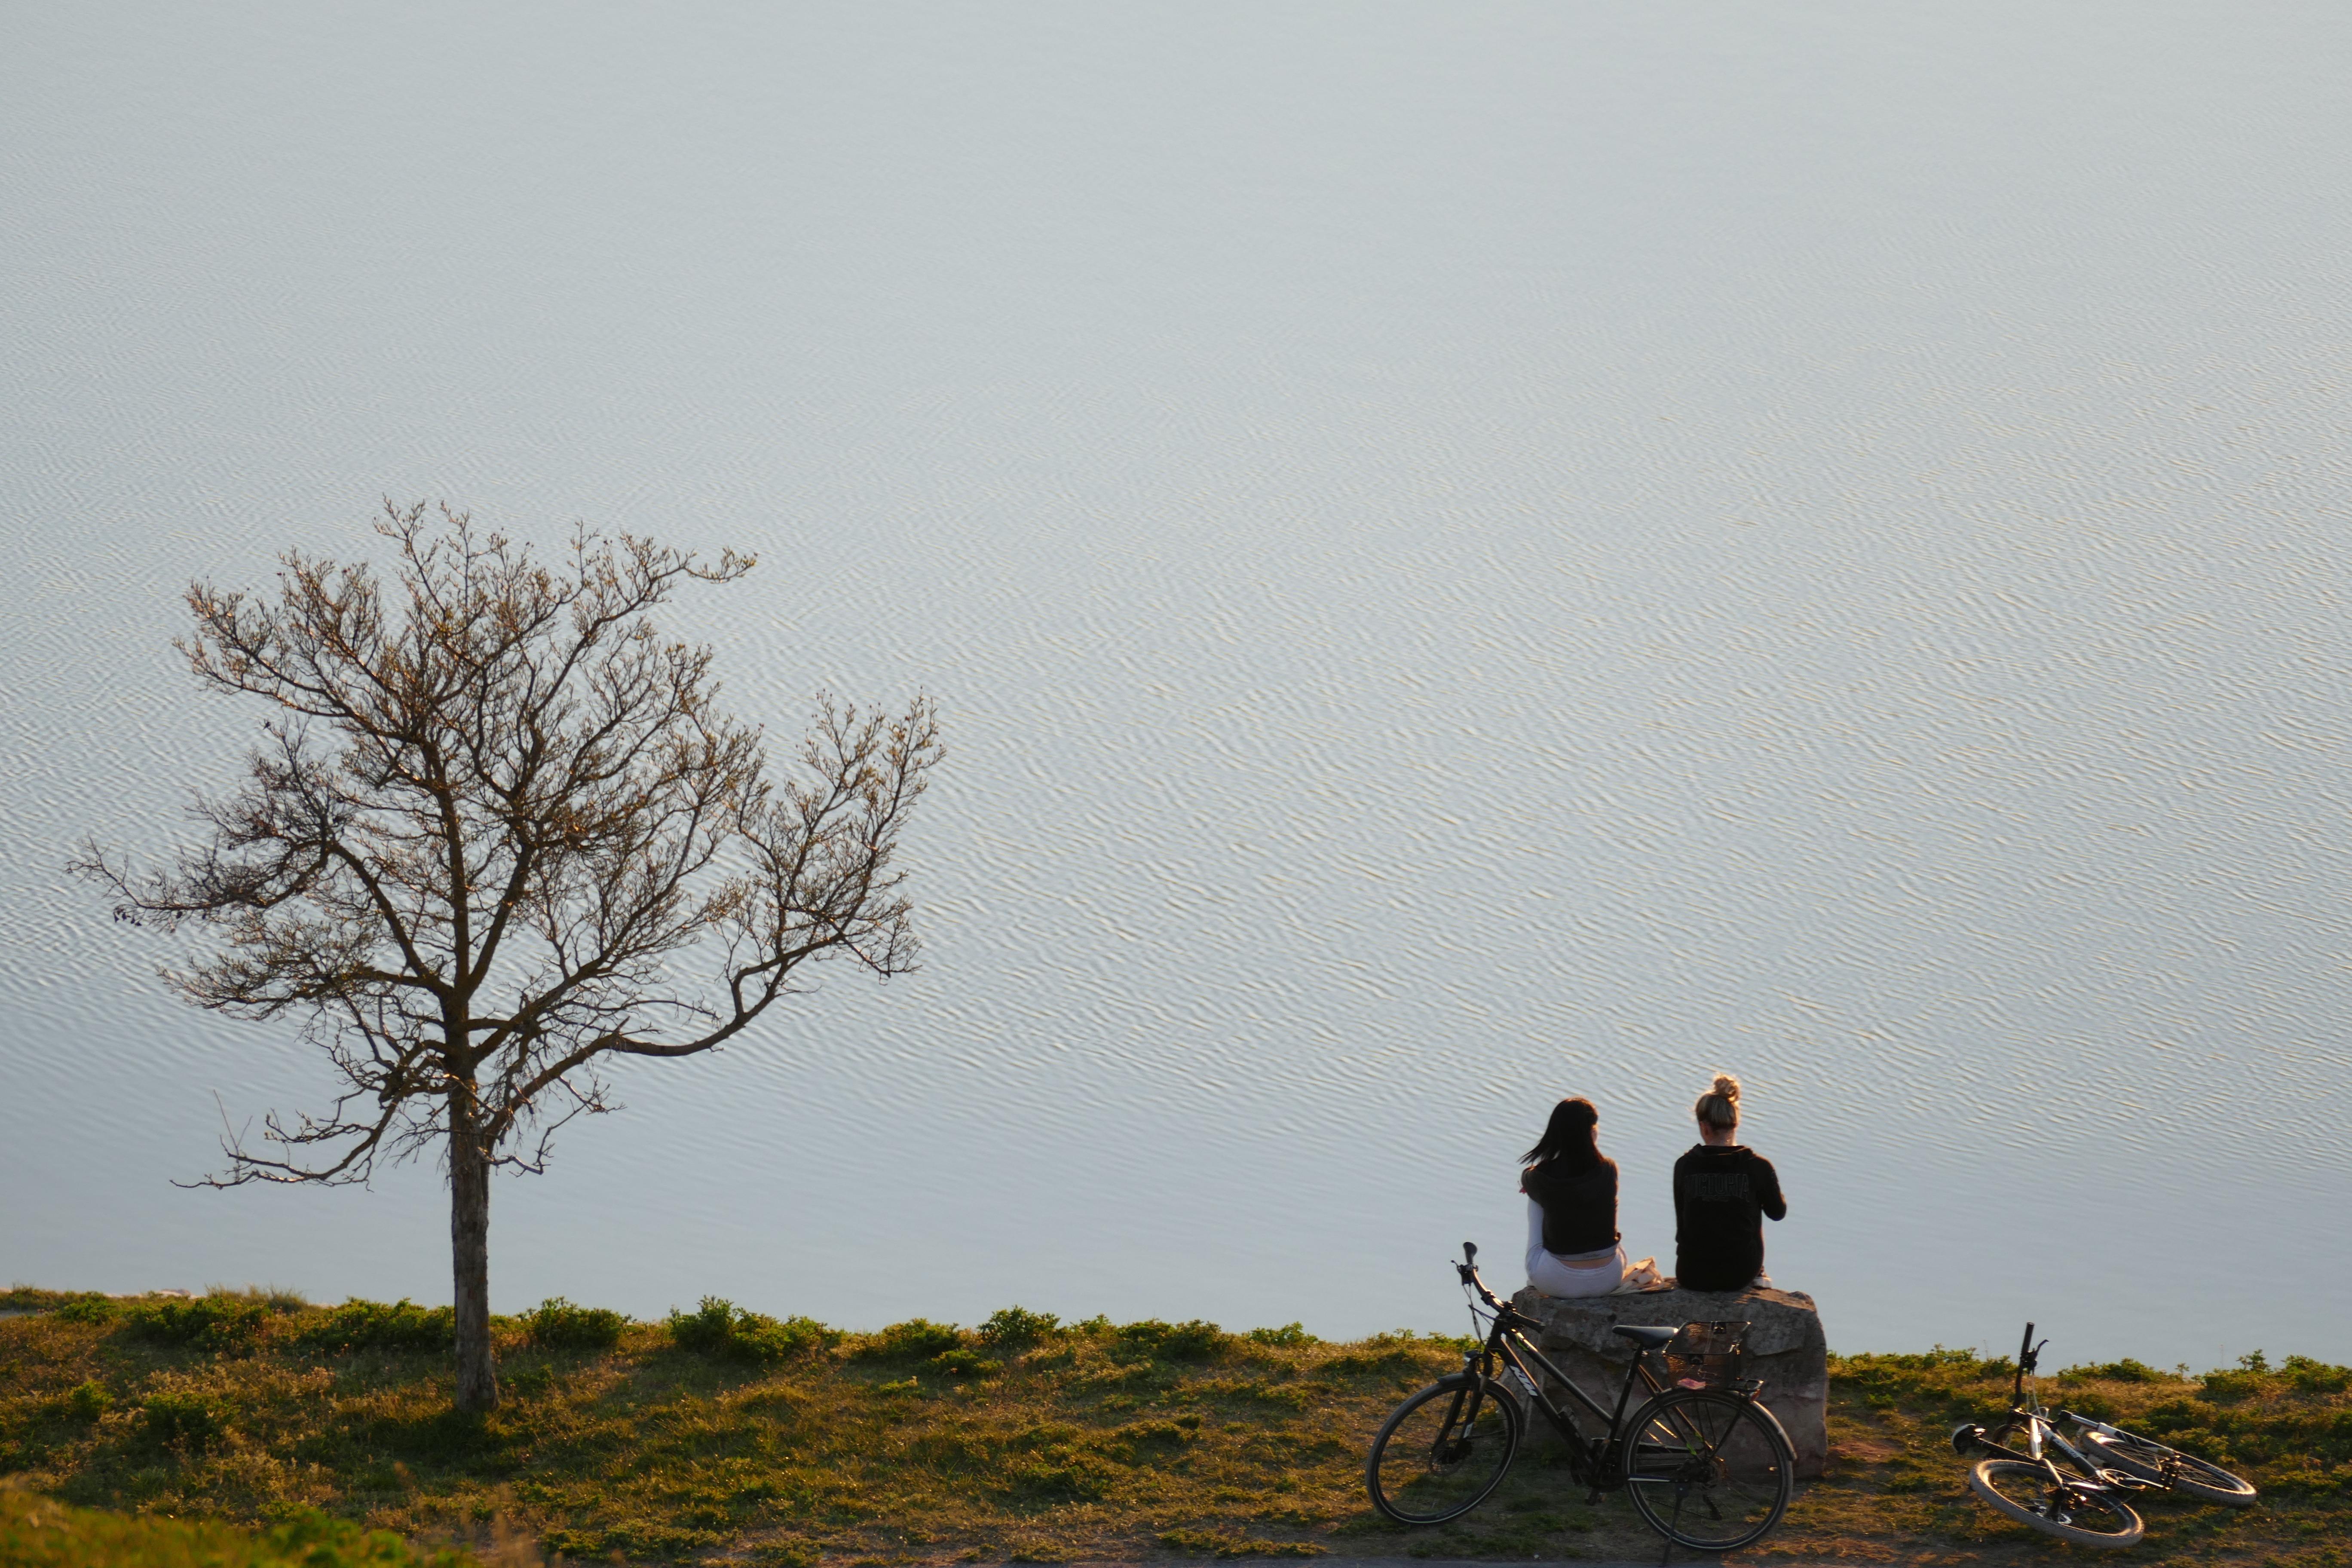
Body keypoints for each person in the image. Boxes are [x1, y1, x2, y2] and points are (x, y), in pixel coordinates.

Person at [1671, 1073, 1786, 1292]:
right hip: (1741, 1274)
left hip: (1692, 1274)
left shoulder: (1685, 1166)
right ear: (1736, 1123)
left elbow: (1682, 1228)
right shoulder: (1758, 1166)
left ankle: (1696, 1325)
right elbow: (1778, 1213)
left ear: (1704, 1127)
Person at [1520, 1096, 1632, 1297]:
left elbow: (1527, 1176)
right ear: (1592, 1132)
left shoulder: (1539, 1177)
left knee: (1535, 1198)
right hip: (1609, 1277)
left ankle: (1538, 1275)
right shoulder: (1609, 1169)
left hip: (1557, 1280)